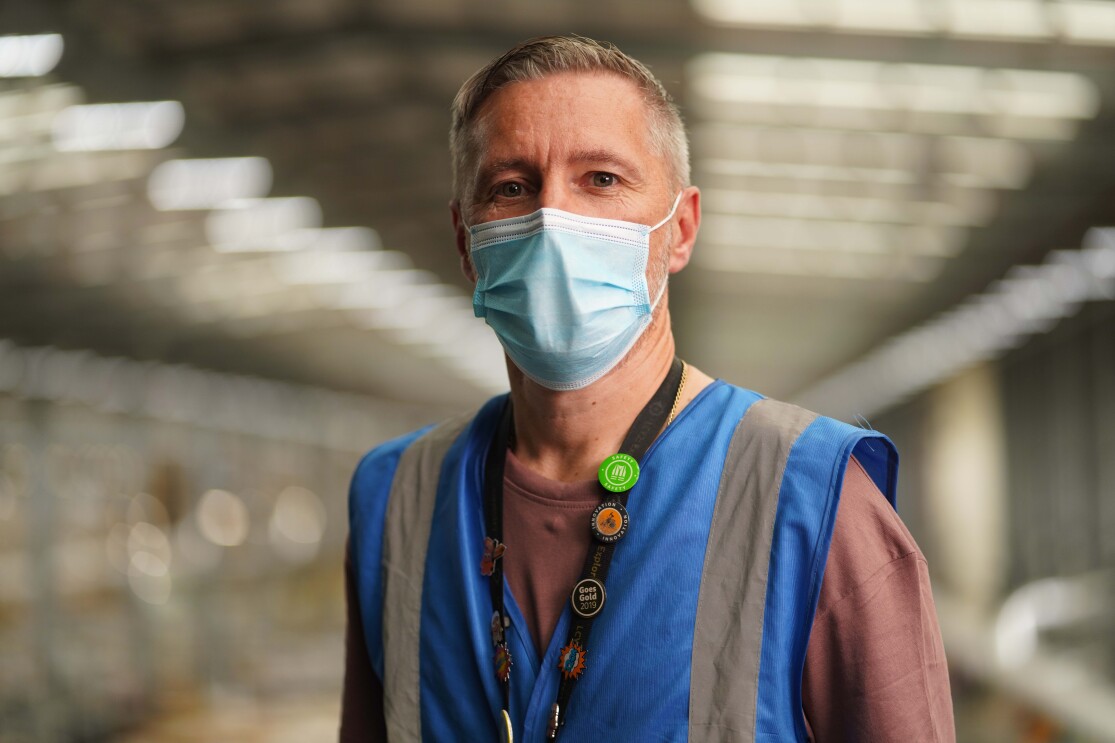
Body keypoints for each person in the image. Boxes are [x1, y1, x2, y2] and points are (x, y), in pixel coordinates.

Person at [341, 35, 954, 742]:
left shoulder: (815, 502)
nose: (551, 220)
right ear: (465, 242)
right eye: (510, 187)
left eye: (600, 178)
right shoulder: (397, 500)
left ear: (681, 227)